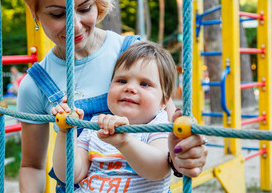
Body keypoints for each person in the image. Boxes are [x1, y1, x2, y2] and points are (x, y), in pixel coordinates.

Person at [15, 0, 207, 192]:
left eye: (85, 8)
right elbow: (32, 166)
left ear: (98, 2)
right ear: (35, 13)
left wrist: (184, 154)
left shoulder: (134, 55)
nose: (75, 24)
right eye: (57, 14)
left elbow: (168, 133)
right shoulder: (35, 84)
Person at [52, 41, 179, 192]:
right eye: (122, 81)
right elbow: (70, 175)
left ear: (164, 100)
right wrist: (66, 132)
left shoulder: (159, 124)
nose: (130, 88)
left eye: (144, 84)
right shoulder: (96, 124)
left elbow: (158, 170)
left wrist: (125, 142)